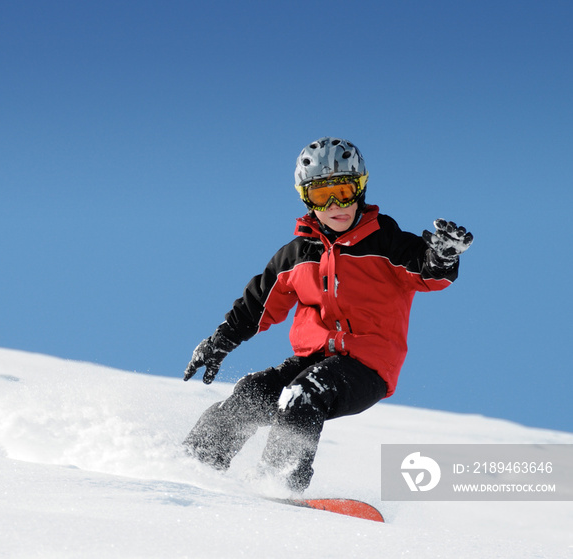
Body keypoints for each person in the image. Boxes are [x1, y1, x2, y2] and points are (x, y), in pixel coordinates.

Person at [181, 137, 473, 493]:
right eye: (322, 196)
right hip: (313, 358)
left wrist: (441, 258)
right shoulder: (296, 256)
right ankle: (193, 465)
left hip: (367, 366)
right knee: (252, 391)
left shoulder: (387, 242)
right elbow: (257, 305)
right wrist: (219, 343)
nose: (336, 205)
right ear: (306, 199)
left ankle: (277, 485)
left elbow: (426, 274)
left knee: (304, 393)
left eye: (345, 192)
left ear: (360, 190)